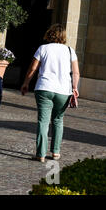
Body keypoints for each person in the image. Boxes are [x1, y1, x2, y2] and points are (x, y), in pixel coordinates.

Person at [20, 23, 80, 162]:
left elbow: (33, 68)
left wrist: (26, 83)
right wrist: (75, 87)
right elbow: (76, 72)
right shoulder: (70, 51)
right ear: (64, 36)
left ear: (50, 34)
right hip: (64, 90)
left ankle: (40, 154)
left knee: (43, 121)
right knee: (58, 120)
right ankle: (56, 152)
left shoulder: (43, 48)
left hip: (44, 88)